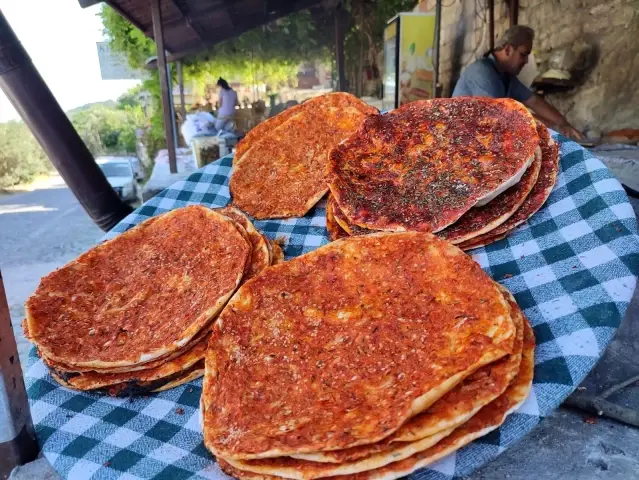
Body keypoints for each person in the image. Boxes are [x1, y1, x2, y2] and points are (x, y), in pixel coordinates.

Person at [452, 26, 584, 140]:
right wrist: (555, 129)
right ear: (508, 50)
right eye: (523, 54)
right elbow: (504, 113)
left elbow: (534, 101)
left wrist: (565, 125)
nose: (526, 61)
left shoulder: (505, 75)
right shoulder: (482, 71)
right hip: (459, 145)